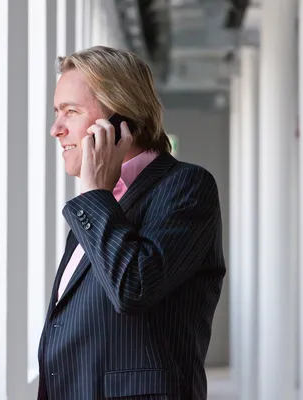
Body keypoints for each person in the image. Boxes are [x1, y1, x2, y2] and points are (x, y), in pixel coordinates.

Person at [37, 45, 226, 400]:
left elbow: (133, 287)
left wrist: (95, 193)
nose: (55, 129)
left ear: (120, 119)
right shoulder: (101, 201)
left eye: (70, 112)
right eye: (56, 112)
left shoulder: (186, 186)